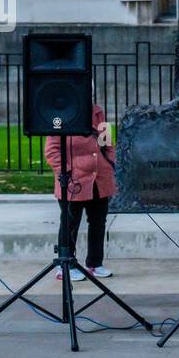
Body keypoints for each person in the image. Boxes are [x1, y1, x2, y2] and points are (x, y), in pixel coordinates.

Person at [44, 102, 116, 281]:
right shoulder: (60, 114)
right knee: (70, 222)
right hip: (73, 181)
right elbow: (52, 151)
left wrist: (109, 162)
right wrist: (66, 172)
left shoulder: (98, 111)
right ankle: (65, 264)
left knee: (98, 221)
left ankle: (95, 263)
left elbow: (107, 143)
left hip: (99, 178)